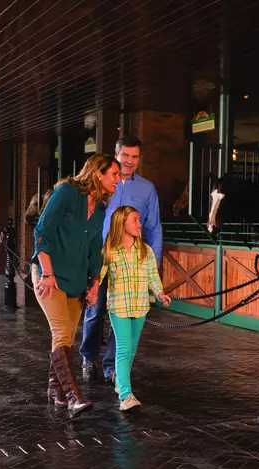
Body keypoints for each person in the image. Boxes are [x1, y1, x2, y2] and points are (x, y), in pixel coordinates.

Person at [32, 154, 120, 416]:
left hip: (77, 280)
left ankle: (55, 390)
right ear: (98, 174)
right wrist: (47, 274)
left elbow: (95, 249)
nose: (118, 179)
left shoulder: (102, 208)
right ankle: (73, 396)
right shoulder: (67, 192)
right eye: (114, 174)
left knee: (67, 337)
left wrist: (94, 283)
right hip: (52, 277)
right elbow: (42, 233)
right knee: (61, 333)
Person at [79, 135, 163, 383]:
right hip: (100, 258)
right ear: (116, 155)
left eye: (135, 156)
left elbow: (155, 227)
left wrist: (153, 265)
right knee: (95, 312)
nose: (129, 161)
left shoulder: (147, 189)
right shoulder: (102, 184)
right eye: (125, 155)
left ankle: (112, 367)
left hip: (131, 262)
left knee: (123, 315)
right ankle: (88, 359)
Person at [100, 205, 171, 411]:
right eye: (135, 220)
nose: (139, 224)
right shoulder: (109, 252)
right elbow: (99, 276)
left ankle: (119, 383)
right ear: (121, 223)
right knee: (123, 348)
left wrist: (160, 293)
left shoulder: (145, 251)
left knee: (131, 350)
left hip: (140, 307)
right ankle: (126, 395)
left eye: (139, 220)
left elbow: (152, 277)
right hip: (119, 307)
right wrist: (92, 291)